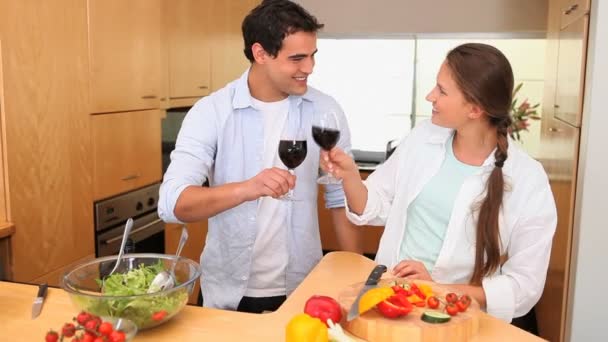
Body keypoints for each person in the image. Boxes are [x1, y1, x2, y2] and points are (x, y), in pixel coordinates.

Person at [321, 43, 557, 322]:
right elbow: (373, 206)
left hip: (458, 318)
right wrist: (349, 175)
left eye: (442, 91)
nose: (430, 96)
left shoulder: (528, 178)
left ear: (475, 109)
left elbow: (524, 286)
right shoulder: (423, 138)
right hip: (391, 300)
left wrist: (438, 290)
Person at [158, 0, 359, 313]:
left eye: (312, 56)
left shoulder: (325, 111)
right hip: (229, 294)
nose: (309, 68)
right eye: (297, 58)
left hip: (304, 289)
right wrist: (247, 189)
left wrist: (357, 286)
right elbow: (172, 204)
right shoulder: (211, 112)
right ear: (260, 53)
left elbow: (339, 199)